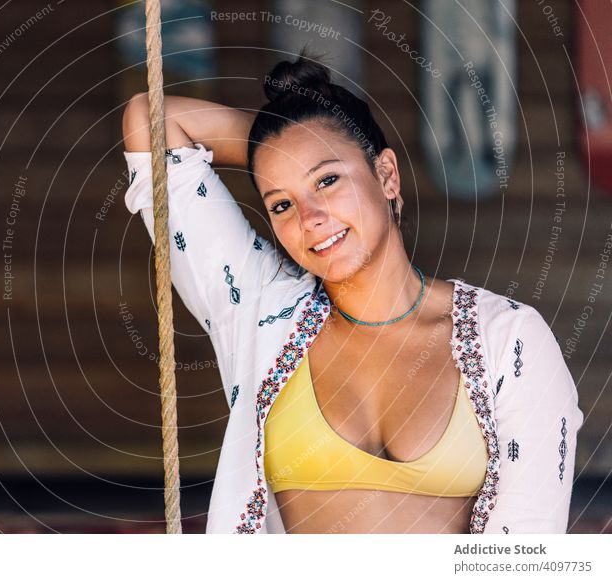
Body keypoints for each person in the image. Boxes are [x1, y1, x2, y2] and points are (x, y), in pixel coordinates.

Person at [120, 49, 584, 534]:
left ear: (386, 174)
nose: (310, 218)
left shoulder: (509, 340)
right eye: (280, 204)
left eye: (328, 179)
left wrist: (329, 136)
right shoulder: (257, 309)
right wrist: (281, 146)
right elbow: (150, 119)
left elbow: (526, 550)